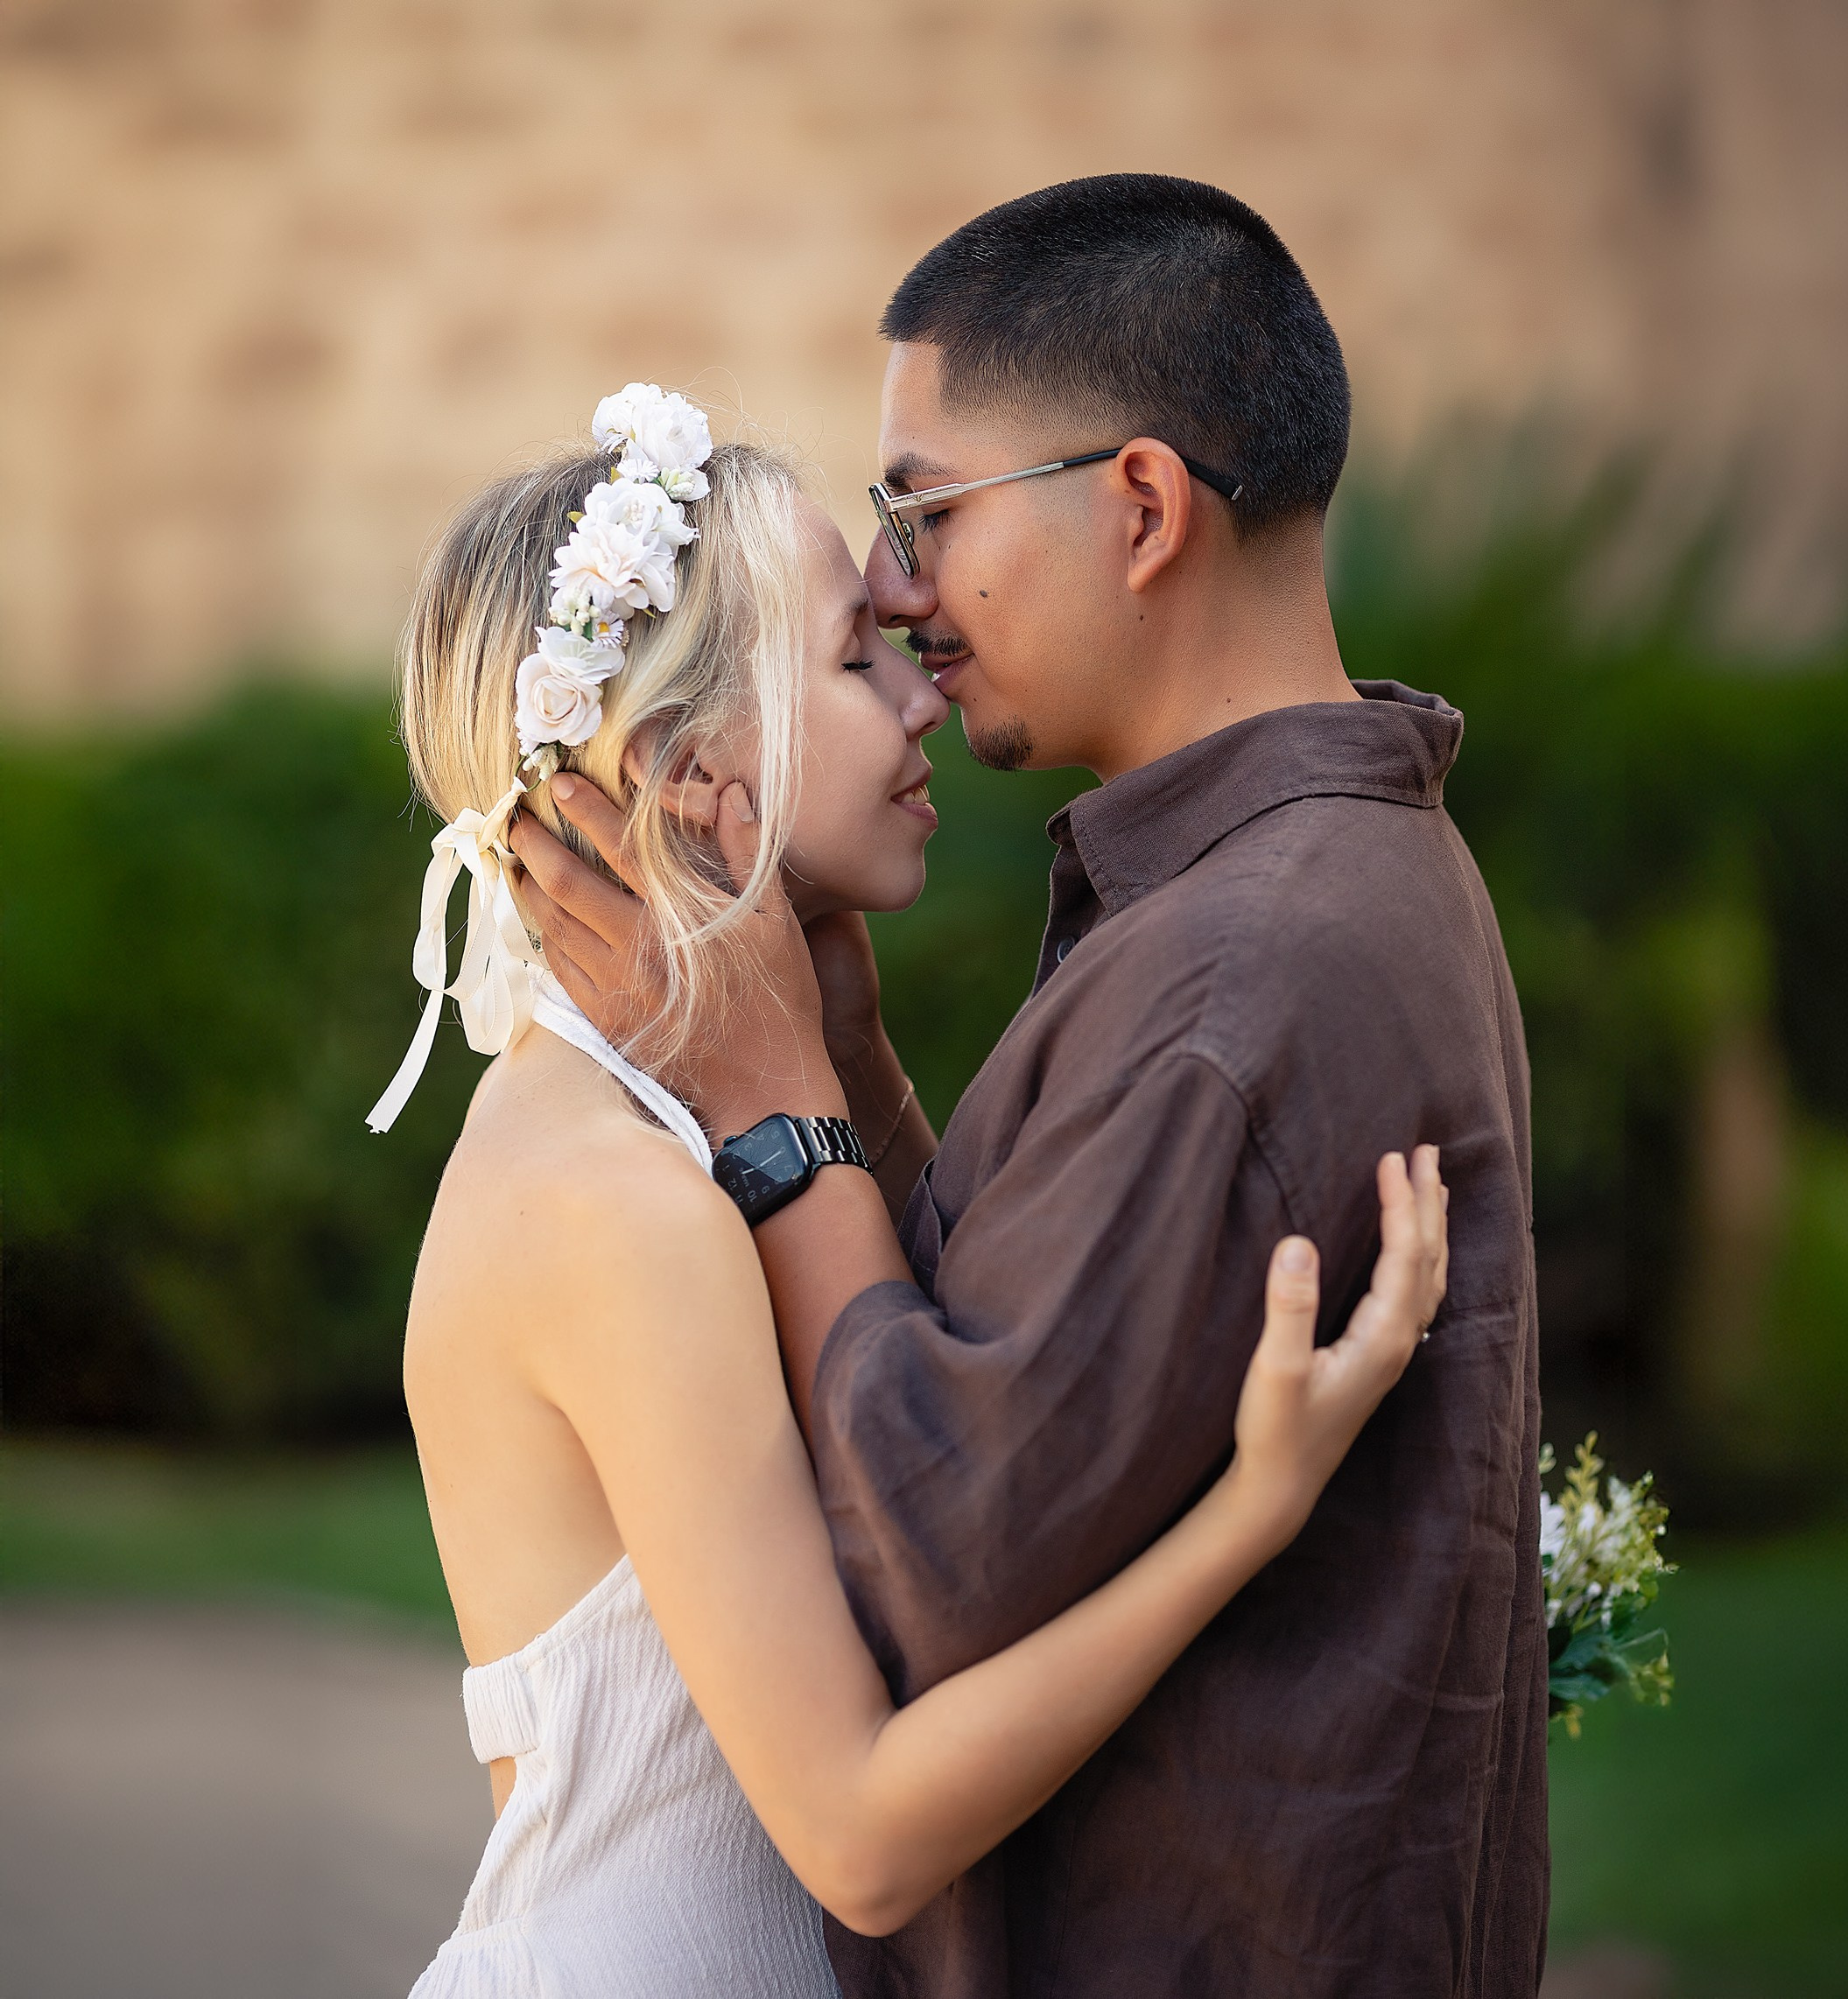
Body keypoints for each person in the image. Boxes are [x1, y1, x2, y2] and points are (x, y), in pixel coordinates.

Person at [513, 177, 1549, 1997]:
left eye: (923, 511)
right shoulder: (1305, 886)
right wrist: (849, 1063)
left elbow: (943, 1540)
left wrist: (779, 1124)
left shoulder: (1245, 967)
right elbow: (1055, 1363)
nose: (900, 592)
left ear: (1140, 506)